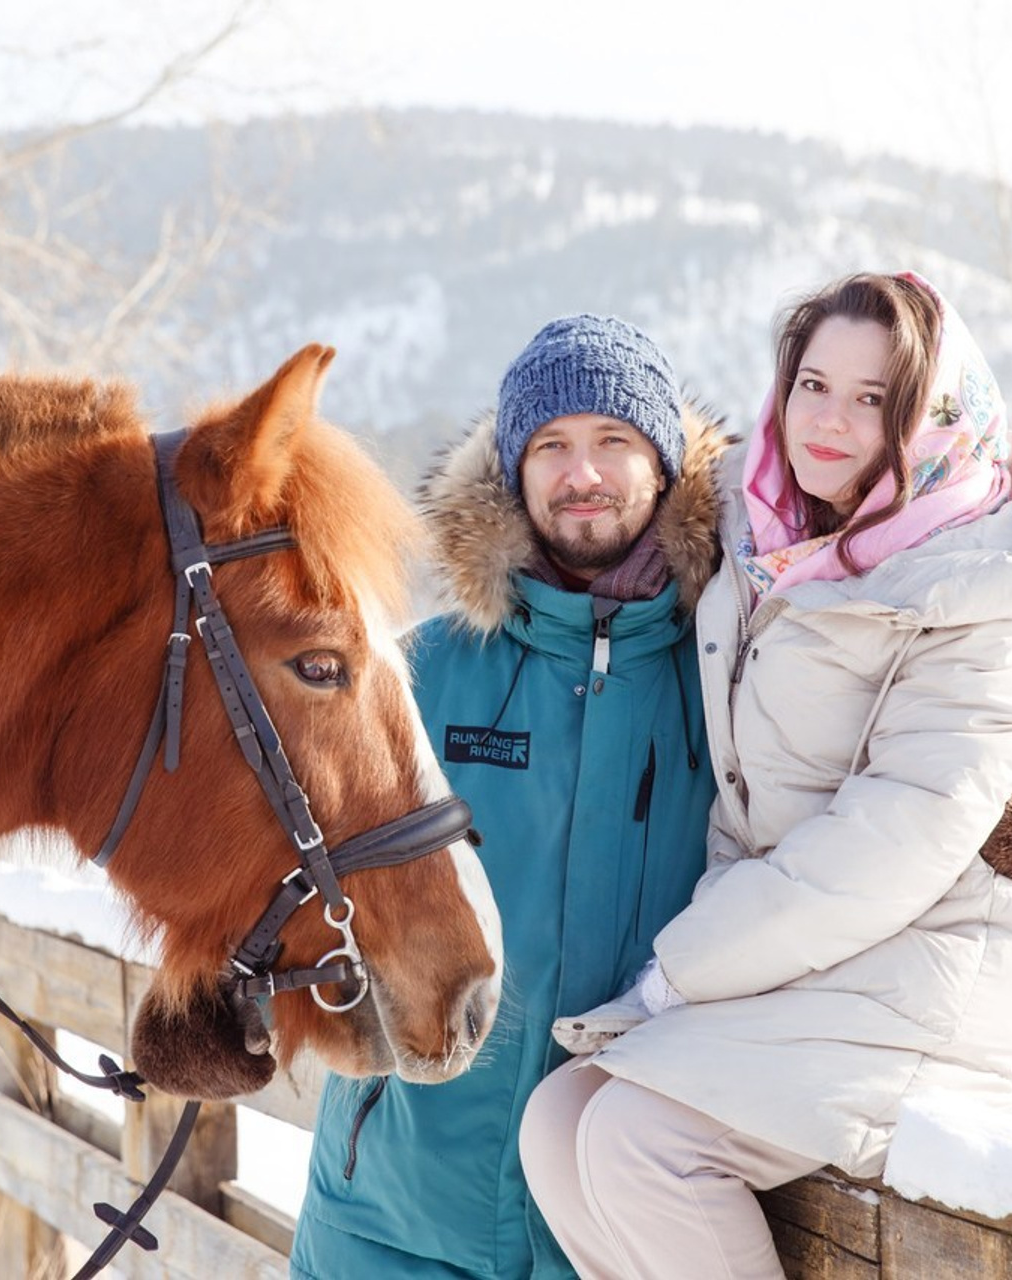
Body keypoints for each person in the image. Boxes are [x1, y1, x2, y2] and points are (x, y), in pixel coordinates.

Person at [519, 271, 1012, 1279]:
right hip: (808, 962)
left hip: (928, 970)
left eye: (871, 397)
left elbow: (892, 843)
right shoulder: (766, 542)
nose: (826, 419)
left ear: (929, 418)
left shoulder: (976, 588)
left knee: (636, 1141)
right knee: (556, 1119)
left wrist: (686, 965)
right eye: (810, 382)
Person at [290, 314, 727, 1277]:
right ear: (514, 473)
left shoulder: (727, 680)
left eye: (613, 441)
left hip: (603, 1229)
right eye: (552, 446)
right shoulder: (417, 674)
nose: (584, 474)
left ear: (662, 465)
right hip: (390, 1218)